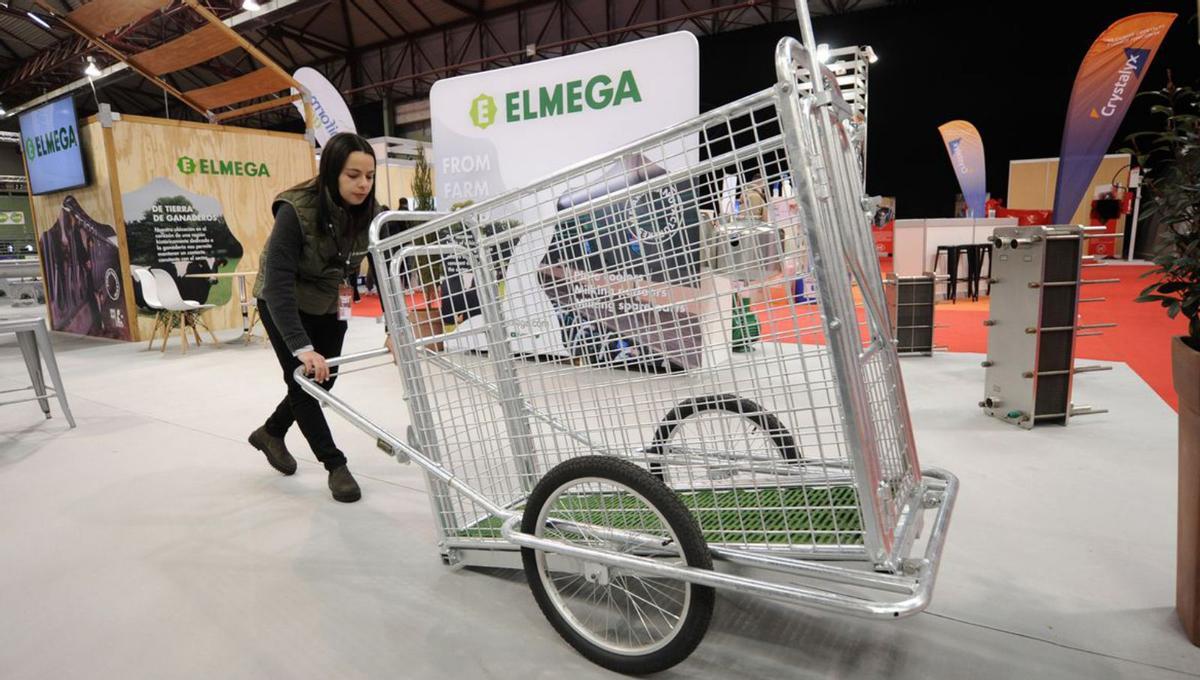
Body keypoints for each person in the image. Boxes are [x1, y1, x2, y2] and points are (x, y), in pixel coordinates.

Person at [248, 132, 388, 503]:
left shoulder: (373, 215)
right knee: (306, 382)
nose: (363, 184)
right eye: (353, 175)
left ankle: (271, 432)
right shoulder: (296, 210)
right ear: (330, 173)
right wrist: (302, 347)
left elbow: (387, 270)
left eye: (370, 176)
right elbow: (277, 284)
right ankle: (335, 465)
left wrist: (395, 328)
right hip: (283, 303)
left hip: (330, 300)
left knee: (326, 380)